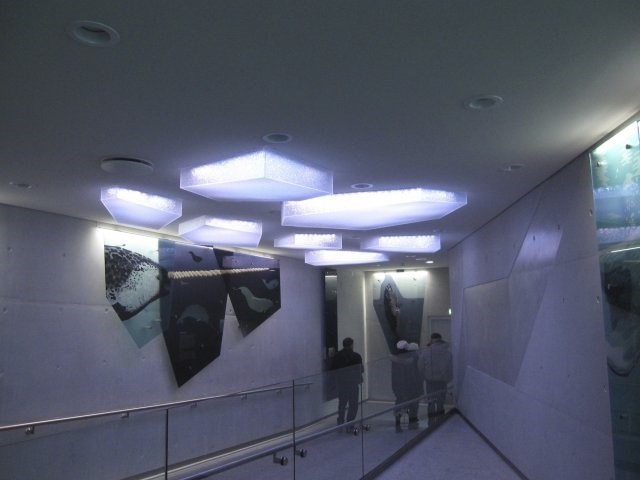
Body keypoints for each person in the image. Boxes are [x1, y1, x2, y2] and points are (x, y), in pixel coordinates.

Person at [391, 340, 423, 431]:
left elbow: (394, 375)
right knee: (413, 405)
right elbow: (417, 373)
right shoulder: (414, 358)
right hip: (412, 385)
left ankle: (398, 423)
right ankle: (412, 423)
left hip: (399, 385)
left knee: (399, 403)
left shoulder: (395, 359)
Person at [332, 337, 363, 431]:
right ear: (351, 345)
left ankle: (340, 421)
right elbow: (361, 369)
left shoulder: (337, 356)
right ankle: (350, 423)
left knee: (342, 403)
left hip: (342, 383)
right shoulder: (356, 356)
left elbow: (333, 369)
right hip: (353, 383)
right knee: (353, 404)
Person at [419, 333, 453, 418]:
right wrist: (448, 379)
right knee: (440, 403)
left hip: (430, 381)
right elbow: (451, 368)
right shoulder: (447, 352)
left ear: (432, 339)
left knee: (431, 403)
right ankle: (440, 421)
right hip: (442, 382)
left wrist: (423, 378)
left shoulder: (426, 351)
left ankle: (431, 422)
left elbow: (420, 366)